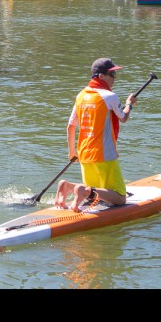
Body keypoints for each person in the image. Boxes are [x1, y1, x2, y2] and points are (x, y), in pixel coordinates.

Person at [54, 58, 137, 211]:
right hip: (104, 154)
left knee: (97, 192)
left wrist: (72, 151)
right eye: (111, 75)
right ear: (100, 76)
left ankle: (68, 186)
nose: (114, 79)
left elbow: (71, 125)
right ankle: (82, 190)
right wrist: (129, 105)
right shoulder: (110, 96)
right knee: (119, 197)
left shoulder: (81, 95)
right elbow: (123, 118)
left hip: (84, 153)